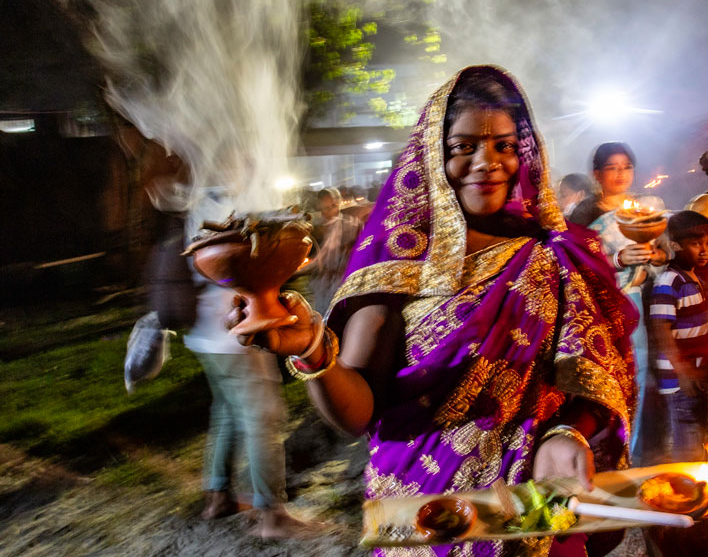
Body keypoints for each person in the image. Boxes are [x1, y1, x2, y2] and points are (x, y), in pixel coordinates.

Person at [228, 66, 637, 556]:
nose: (487, 162)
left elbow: (595, 376)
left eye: (504, 145)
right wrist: (313, 350)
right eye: (464, 146)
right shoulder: (400, 265)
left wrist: (569, 432)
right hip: (425, 508)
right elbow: (358, 415)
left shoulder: (555, 256)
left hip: (534, 502)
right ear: (432, 156)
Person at [183, 196, 310, 539]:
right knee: (263, 419)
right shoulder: (233, 201)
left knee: (226, 415)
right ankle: (272, 516)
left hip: (205, 338)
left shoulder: (198, 204)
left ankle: (218, 497)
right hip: (240, 335)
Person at [568, 142, 669, 464]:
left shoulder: (645, 209)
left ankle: (631, 454)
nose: (620, 174)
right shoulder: (584, 214)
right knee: (604, 380)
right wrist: (618, 259)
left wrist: (654, 255)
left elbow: (666, 253)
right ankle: (597, 456)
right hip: (601, 308)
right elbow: (577, 262)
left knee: (636, 376)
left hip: (635, 302)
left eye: (626, 166)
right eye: (611, 168)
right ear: (597, 174)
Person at [649, 211, 708, 462]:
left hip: (693, 375)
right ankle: (685, 482)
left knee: (698, 436)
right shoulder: (669, 281)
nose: (705, 250)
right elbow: (661, 329)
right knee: (687, 441)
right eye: (696, 244)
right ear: (676, 246)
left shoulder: (694, 278)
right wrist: (683, 371)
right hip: (679, 381)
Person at [308, 187, 362, 316]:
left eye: (333, 205)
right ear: (319, 205)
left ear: (338, 202)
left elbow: (358, 248)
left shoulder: (352, 224)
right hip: (322, 279)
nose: (330, 210)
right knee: (325, 312)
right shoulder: (315, 227)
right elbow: (312, 255)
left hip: (344, 277)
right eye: (326, 206)